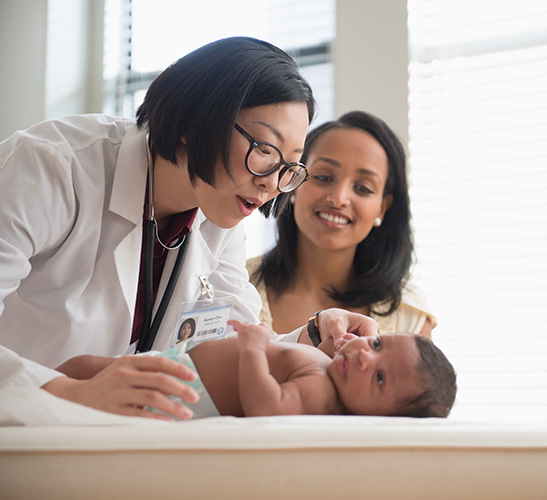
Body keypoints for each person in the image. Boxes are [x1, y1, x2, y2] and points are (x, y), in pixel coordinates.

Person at [0, 36, 378, 422]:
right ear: (192, 121)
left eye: (289, 167)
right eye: (265, 149)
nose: (271, 183)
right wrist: (72, 393)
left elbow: (238, 345)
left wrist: (316, 335)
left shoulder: (219, 216)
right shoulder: (50, 167)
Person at [247, 111, 436, 338]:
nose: (338, 199)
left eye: (363, 188)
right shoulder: (233, 283)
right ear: (294, 182)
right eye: (323, 177)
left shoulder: (408, 315)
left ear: (382, 208)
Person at [58, 320, 457, 419]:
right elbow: (293, 358)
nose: (366, 356)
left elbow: (269, 405)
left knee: (82, 369)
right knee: (83, 367)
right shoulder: (329, 371)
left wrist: (253, 350)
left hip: (174, 392)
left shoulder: (321, 392)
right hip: (172, 367)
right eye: (376, 343)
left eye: (380, 377)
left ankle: (24, 398)